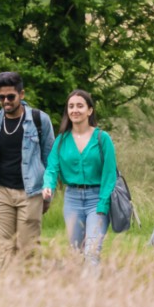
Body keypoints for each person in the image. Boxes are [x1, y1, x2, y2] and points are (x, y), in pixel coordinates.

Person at [0, 71, 56, 265]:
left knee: (28, 253)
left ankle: (30, 293)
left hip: (30, 193)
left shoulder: (39, 120)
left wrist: (47, 195)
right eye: (1, 97)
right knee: (5, 253)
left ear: (22, 94)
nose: (6, 101)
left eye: (11, 96)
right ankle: (10, 294)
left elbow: (50, 161)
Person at [41, 90, 117, 266]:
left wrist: (103, 203)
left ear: (89, 110)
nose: (75, 110)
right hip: (72, 199)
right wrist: (48, 185)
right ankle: (78, 290)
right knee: (75, 253)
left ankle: (93, 292)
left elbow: (109, 174)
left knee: (92, 251)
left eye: (80, 106)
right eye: (71, 106)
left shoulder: (102, 138)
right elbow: (52, 167)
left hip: (97, 199)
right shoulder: (61, 140)